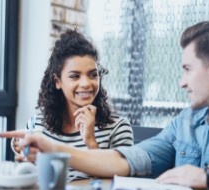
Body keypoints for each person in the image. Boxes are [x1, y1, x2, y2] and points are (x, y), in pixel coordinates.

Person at [0, 19, 209, 190]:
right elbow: (124, 162)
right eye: (74, 76)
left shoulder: (119, 125)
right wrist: (51, 147)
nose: (182, 82)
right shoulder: (186, 124)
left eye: (187, 69)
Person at [11, 28, 133, 181]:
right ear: (57, 81)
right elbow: (28, 172)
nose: (86, 83)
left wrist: (91, 141)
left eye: (93, 75)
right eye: (75, 76)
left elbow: (120, 183)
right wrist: (20, 148)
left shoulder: (119, 128)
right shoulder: (39, 124)